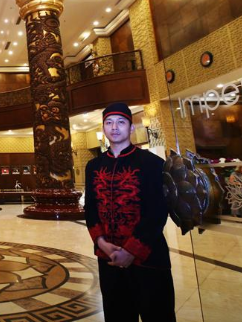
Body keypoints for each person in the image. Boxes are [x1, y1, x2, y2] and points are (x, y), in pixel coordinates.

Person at [85, 103, 175, 322]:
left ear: (131, 128)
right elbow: (91, 209)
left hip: (148, 258)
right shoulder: (94, 166)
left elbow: (157, 212)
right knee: (117, 315)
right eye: (109, 122)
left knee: (158, 315)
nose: (114, 127)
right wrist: (102, 243)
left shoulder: (152, 163)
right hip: (109, 259)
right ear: (103, 128)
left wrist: (130, 251)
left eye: (121, 122)